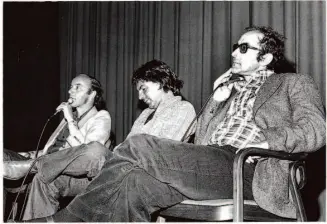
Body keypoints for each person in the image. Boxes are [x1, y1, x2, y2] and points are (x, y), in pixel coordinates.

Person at [25, 26, 326, 222]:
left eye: (244, 48)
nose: (234, 52)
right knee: (134, 184)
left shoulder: (292, 83)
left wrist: (265, 142)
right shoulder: (229, 90)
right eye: (235, 46)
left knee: (139, 145)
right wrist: (217, 101)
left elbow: (316, 129)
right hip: (218, 166)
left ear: (266, 57)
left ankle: (63, 220)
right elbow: (203, 144)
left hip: (251, 170)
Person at [6, 60, 196, 220]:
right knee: (48, 180)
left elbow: (154, 153)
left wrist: (117, 154)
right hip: (116, 169)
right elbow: (127, 146)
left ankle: (33, 165)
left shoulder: (183, 109)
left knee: (95, 150)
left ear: (159, 82)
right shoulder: (146, 113)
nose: (140, 96)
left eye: (143, 89)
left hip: (137, 174)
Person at [3, 74, 112, 220]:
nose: (70, 91)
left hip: (72, 174)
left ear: (92, 94)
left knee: (45, 176)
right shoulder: (67, 119)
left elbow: (86, 153)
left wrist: (70, 120)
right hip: (45, 161)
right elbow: (51, 150)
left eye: (77, 87)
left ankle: (30, 168)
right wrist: (26, 155)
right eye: (71, 87)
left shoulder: (101, 117)